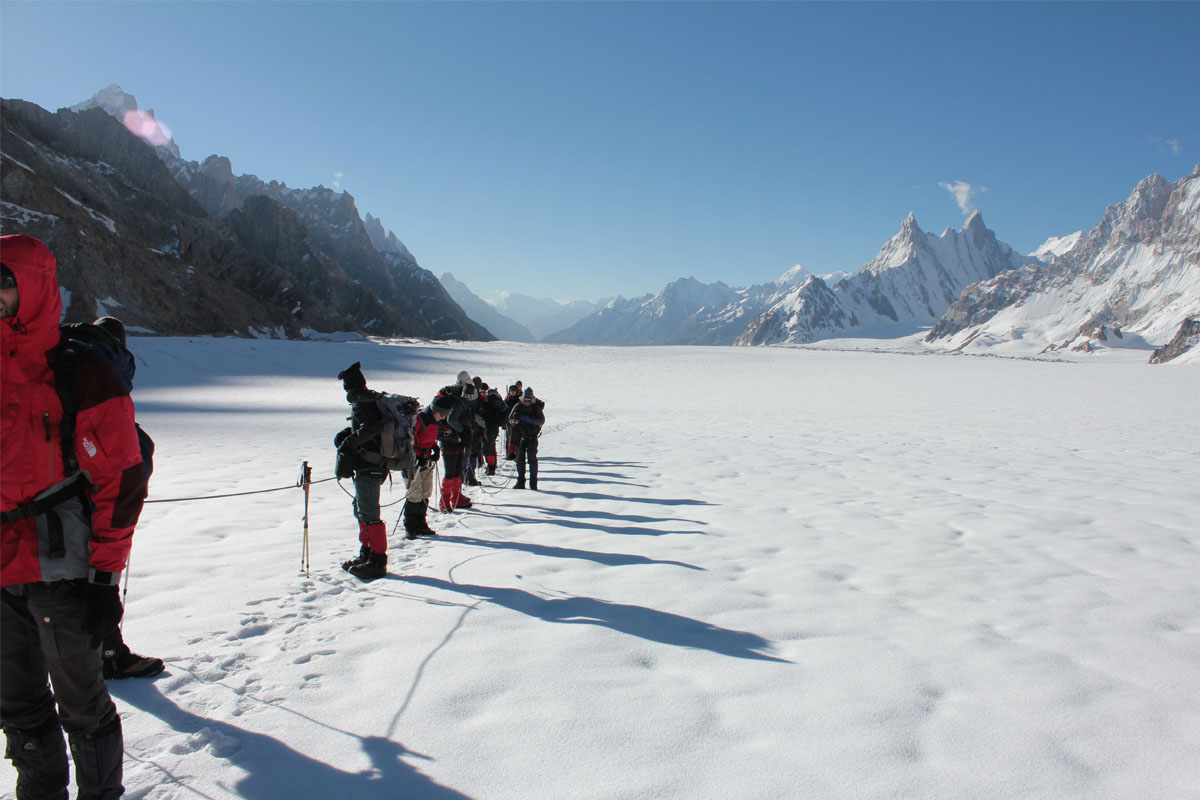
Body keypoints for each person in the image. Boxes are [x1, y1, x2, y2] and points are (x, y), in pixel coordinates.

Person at [2, 235, 148, 799]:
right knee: (17, 706)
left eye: (4, 280)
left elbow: (122, 479)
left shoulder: (80, 371)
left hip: (62, 571)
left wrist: (104, 579)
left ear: (33, 285)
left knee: (82, 706)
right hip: (1, 572)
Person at [89, 317, 164, 681]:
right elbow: (129, 460)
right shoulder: (104, 376)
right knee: (99, 580)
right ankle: (108, 653)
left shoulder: (61, 366)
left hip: (41, 505)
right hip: (99, 503)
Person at [334, 362, 418, 581]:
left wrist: (348, 444)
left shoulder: (362, 402)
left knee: (369, 513)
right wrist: (349, 434)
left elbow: (370, 428)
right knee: (362, 509)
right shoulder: (371, 399)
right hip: (375, 464)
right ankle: (367, 553)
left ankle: (377, 561)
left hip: (369, 465)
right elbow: (370, 427)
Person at [402, 398, 447, 539]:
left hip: (426, 460)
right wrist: (417, 457)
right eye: (442, 414)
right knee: (414, 494)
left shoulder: (434, 422)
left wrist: (435, 448)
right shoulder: (418, 419)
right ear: (434, 410)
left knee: (426, 492)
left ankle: (421, 523)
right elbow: (409, 441)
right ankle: (410, 526)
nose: (443, 418)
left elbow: (429, 438)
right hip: (411, 462)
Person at [508, 387, 545, 490]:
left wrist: (531, 420)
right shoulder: (518, 406)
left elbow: (541, 421)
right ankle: (520, 482)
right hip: (519, 437)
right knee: (519, 460)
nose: (526, 402)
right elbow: (510, 419)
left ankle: (533, 484)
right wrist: (514, 421)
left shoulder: (536, 408)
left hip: (532, 437)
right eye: (525, 400)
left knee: (532, 460)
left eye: (528, 400)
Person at [480, 386, 509, 476]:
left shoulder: (489, 401)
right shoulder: (497, 401)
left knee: (487, 448)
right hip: (494, 428)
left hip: (488, 428)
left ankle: (491, 466)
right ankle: (492, 465)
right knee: (491, 447)